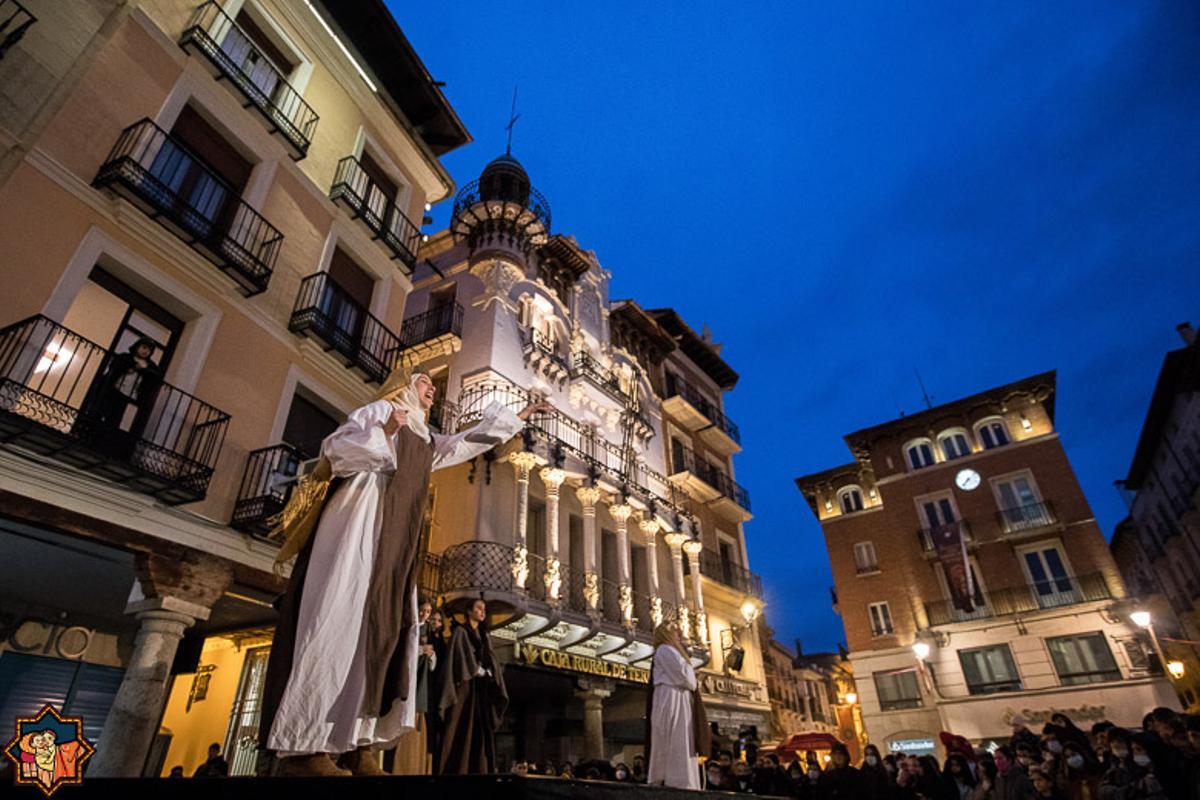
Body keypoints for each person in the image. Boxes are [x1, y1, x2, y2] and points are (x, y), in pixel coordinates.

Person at [259, 370, 546, 776]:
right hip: (361, 521)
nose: (432, 389)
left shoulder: (426, 438)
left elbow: (464, 444)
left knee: (385, 630)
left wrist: (518, 415)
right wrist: (384, 435)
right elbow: (336, 450)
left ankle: (361, 744)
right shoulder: (381, 409)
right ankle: (305, 748)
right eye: (425, 382)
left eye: (433, 385)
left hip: (396, 544)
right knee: (340, 620)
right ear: (405, 387)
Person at [438, 597, 508, 774]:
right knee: (462, 725)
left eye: (484, 609)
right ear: (469, 611)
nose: (483, 612)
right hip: (466, 688)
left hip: (481, 689)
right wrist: (476, 670)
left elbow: (490, 657)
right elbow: (459, 657)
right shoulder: (460, 632)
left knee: (480, 730)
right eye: (479, 608)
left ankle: (479, 770)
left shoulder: (484, 635)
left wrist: (490, 671)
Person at [75, 336, 162, 458]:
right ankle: (88, 438)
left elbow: (155, 377)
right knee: (100, 413)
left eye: (149, 350)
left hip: (129, 397)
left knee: (115, 420)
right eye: (143, 347)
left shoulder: (150, 366)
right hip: (113, 391)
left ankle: (104, 446)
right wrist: (133, 366)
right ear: (137, 346)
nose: (145, 351)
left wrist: (142, 370)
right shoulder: (125, 357)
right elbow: (115, 366)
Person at [646, 620, 709, 790]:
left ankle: (683, 779)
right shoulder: (665, 650)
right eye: (674, 631)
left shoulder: (670, 651)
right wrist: (692, 675)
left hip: (678, 696)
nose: (678, 635)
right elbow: (688, 680)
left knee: (681, 737)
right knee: (675, 736)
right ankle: (677, 780)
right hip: (671, 696)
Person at [425, 606, 448, 773]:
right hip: (427, 684)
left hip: (438, 686)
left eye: (439, 620)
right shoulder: (426, 637)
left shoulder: (442, 641)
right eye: (433, 620)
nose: (436, 623)